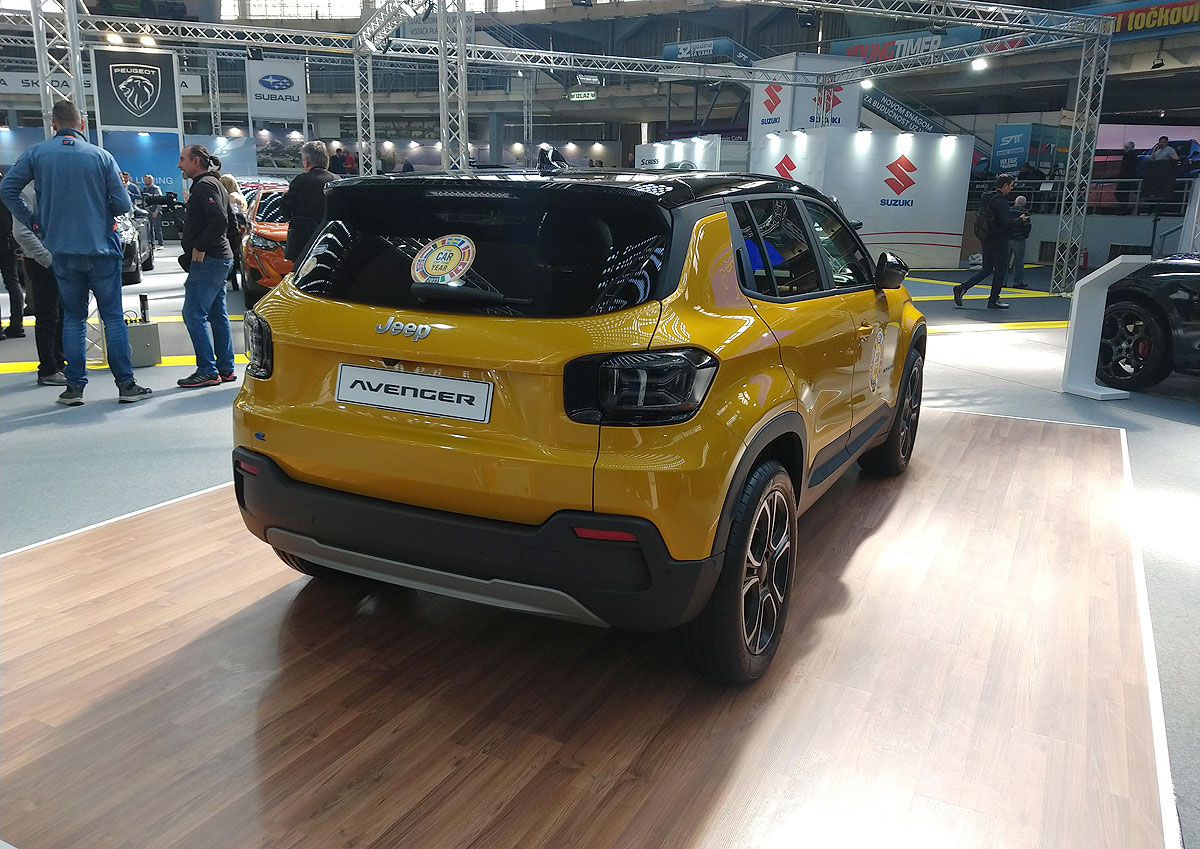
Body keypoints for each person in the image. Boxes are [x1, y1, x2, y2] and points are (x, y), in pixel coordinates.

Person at [0, 100, 152, 405]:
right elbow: (122, 204)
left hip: (62, 251)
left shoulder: (37, 154)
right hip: (101, 250)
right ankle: (126, 385)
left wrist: (34, 221)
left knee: (73, 319)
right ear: (82, 124)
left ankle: (74, 388)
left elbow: (8, 190)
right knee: (113, 319)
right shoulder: (101, 156)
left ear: (53, 124)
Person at [176, 144, 236, 389]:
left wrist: (200, 246)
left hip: (209, 260)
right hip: (219, 258)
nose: (179, 164)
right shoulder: (215, 184)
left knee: (193, 314)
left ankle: (207, 370)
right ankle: (225, 368)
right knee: (216, 314)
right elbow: (231, 222)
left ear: (196, 161)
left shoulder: (205, 186)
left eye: (183, 159)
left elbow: (220, 220)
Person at [11, 183, 65, 384]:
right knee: (48, 315)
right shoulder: (27, 190)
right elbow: (21, 232)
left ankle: (59, 363)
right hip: (41, 261)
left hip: (57, 258)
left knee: (61, 313)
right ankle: (48, 369)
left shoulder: (50, 185)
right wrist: (47, 258)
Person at [954, 173, 1025, 310]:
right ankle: (993, 300)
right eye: (1011, 186)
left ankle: (962, 287)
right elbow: (1006, 223)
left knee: (986, 269)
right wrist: (1020, 220)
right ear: (1005, 185)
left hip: (986, 238)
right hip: (999, 240)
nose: (1012, 188)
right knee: (1000, 270)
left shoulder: (986, 197)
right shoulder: (1001, 201)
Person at [279, 140, 338, 262]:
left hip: (303, 245)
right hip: (329, 243)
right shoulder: (336, 180)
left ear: (306, 161)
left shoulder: (300, 181)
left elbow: (285, 210)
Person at [0, 175, 24, 339]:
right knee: (13, 283)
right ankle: (17, 325)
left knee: (13, 283)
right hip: (8, 244)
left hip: (5, 242)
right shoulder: (7, 190)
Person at [220, 173, 249, 291]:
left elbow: (231, 215)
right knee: (237, 256)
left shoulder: (230, 197)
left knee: (231, 255)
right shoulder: (240, 196)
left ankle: (232, 281)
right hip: (241, 230)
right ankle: (236, 283)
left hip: (232, 231)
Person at [1008, 195, 1031, 289]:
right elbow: (1027, 226)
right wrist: (1025, 235)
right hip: (1019, 238)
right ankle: (1018, 282)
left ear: (1015, 201)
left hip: (1007, 238)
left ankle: (1002, 281)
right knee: (1019, 261)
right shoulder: (1025, 212)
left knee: (1004, 261)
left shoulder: (1008, 210)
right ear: (1024, 203)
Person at [141, 174, 164, 246]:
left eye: (147, 180)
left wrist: (156, 211)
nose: (145, 181)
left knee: (157, 228)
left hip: (155, 211)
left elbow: (160, 201)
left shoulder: (156, 189)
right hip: (147, 212)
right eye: (144, 180)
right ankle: (152, 244)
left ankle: (160, 244)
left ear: (151, 180)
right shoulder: (144, 189)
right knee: (149, 229)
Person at [1119, 141, 1139, 214]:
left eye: (1125, 147)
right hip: (1127, 177)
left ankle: (1124, 209)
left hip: (1127, 177)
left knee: (1121, 192)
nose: (1124, 148)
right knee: (1124, 193)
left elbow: (1127, 167)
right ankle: (1124, 209)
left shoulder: (1129, 155)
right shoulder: (1133, 155)